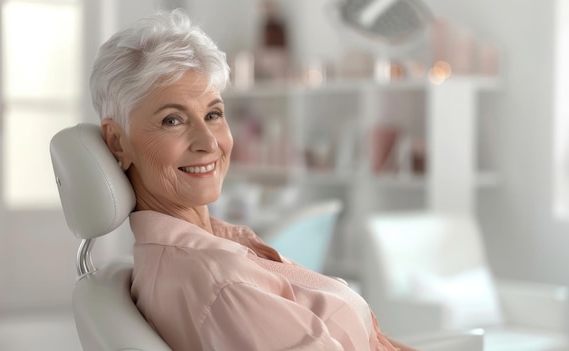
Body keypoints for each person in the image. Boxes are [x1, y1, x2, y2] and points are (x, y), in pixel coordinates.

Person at [92, 9, 419, 351]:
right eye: (172, 120)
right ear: (117, 142)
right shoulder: (221, 284)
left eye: (213, 114)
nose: (209, 142)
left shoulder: (208, 249)